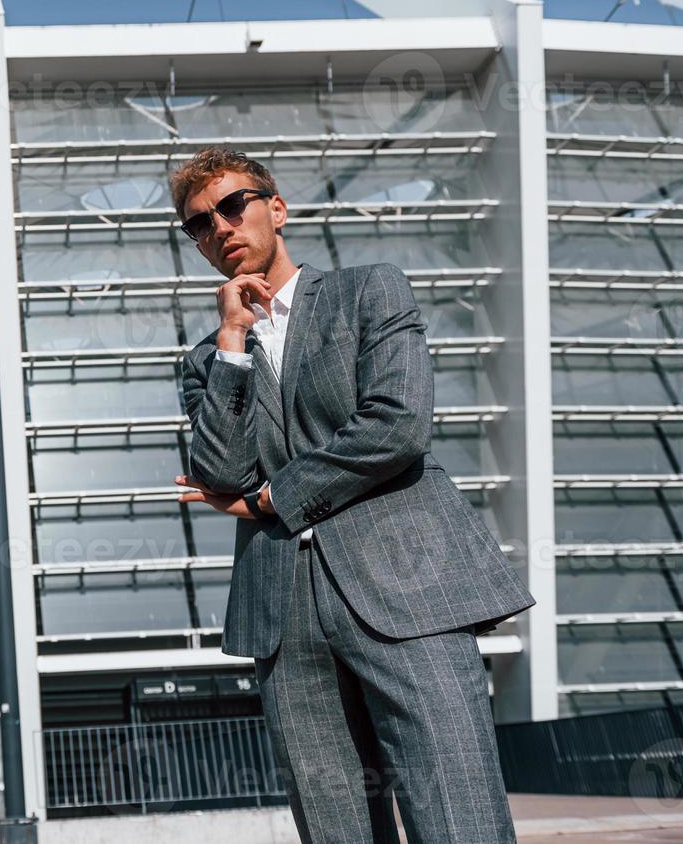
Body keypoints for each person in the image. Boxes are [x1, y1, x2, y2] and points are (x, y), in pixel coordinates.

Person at [172, 146, 535, 843]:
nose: (218, 227)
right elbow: (221, 471)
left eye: (232, 205)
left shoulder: (369, 291)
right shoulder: (208, 361)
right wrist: (233, 339)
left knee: (459, 817)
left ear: (275, 208)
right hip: (283, 611)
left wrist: (274, 497)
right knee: (336, 829)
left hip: (408, 586)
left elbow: (398, 426)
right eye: (198, 224)